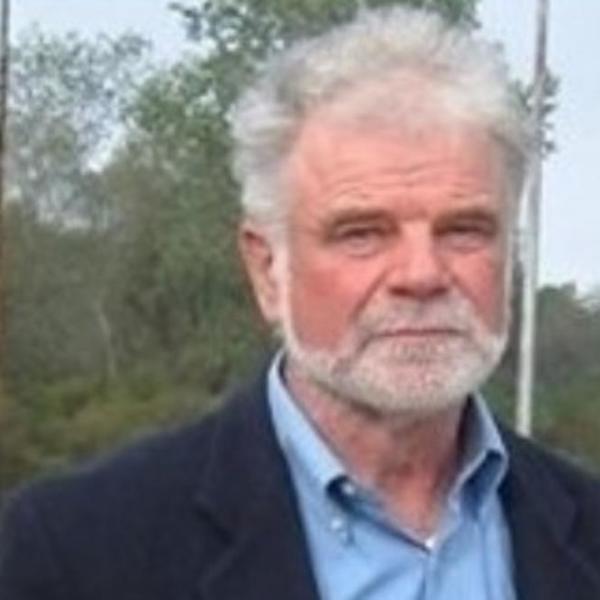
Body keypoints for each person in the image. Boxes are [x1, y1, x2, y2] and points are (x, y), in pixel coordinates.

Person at [2, 6, 600, 600]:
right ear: (268, 269)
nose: (422, 274)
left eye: (464, 230)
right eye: (362, 233)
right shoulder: (72, 555)